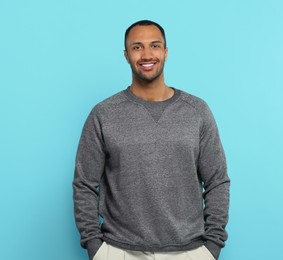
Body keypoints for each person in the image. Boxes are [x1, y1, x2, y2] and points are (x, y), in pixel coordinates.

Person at [73, 20, 230, 260]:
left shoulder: (197, 111)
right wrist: (96, 248)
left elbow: (217, 180)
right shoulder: (104, 114)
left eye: (154, 45)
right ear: (126, 55)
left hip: (190, 251)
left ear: (166, 52)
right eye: (137, 47)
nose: (147, 54)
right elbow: (84, 183)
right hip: (119, 251)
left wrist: (211, 248)